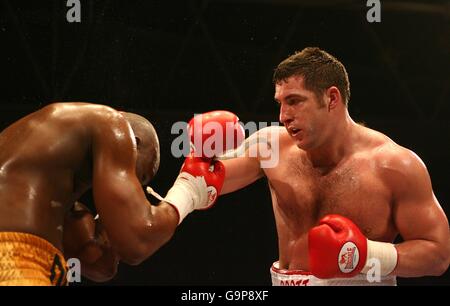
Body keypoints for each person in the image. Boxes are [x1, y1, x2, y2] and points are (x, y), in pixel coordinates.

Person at [172, 47, 450, 285]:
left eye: (294, 101)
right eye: (280, 103)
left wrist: (366, 255)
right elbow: (204, 184)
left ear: (331, 98)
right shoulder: (271, 147)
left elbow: (438, 254)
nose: (283, 116)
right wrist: (200, 158)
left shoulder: (394, 165)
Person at [0, 102, 183, 285]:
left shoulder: (46, 187)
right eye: (141, 177)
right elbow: (137, 241)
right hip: (14, 262)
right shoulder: (110, 121)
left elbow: (100, 265)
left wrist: (109, 223)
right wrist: (189, 189)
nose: (133, 185)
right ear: (133, 141)